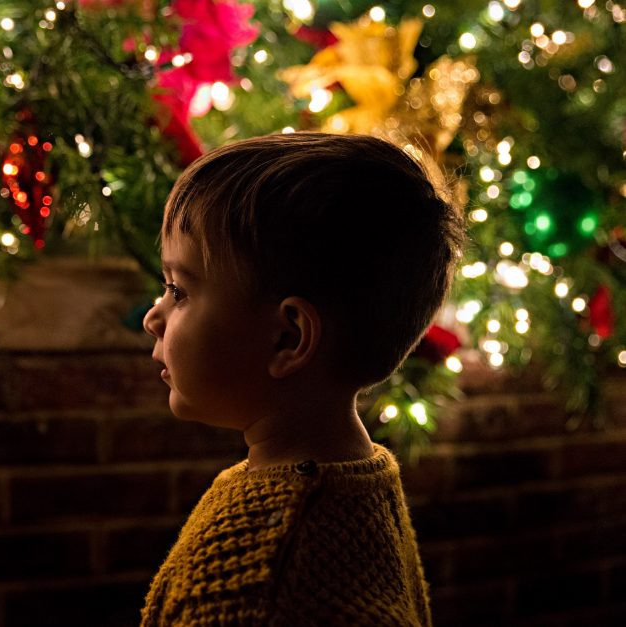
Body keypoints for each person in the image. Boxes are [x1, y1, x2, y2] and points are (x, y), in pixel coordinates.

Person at [140, 132, 463, 626]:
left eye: (178, 290)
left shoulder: (254, 585)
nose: (153, 317)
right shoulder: (359, 477)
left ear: (288, 338)